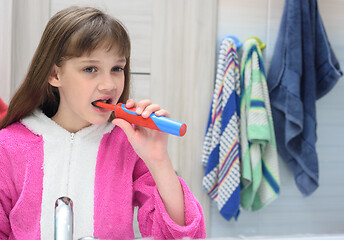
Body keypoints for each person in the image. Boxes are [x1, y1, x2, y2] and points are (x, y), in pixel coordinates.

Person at [0, 6, 205, 240]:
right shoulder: (8, 146)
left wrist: (158, 160)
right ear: (55, 75)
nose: (109, 84)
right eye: (90, 69)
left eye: (117, 68)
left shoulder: (127, 144)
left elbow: (181, 234)